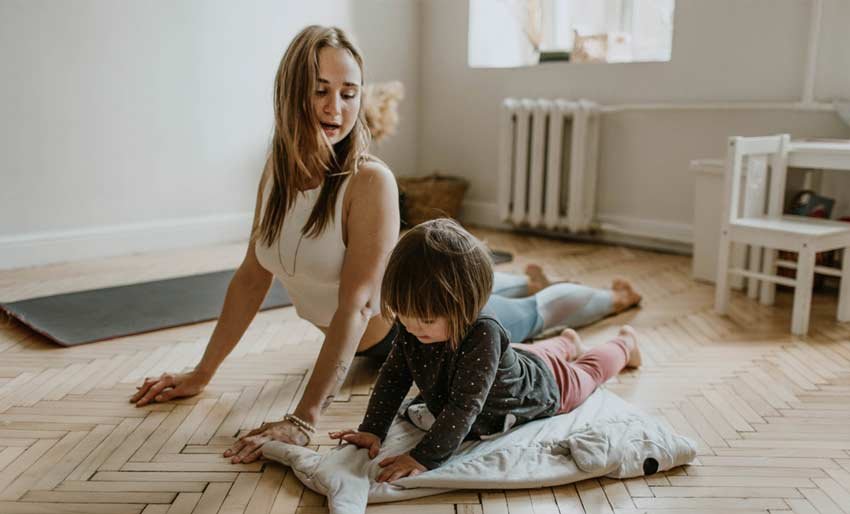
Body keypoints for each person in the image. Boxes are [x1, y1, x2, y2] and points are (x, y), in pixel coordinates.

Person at [129, 25, 640, 465]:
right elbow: (250, 278)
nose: (335, 107)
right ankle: (523, 286)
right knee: (509, 301)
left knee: (531, 313)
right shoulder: (276, 173)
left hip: (427, 328)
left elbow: (356, 305)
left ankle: (612, 300)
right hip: (400, 327)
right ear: (289, 92)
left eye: (349, 93)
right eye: (320, 90)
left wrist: (304, 419)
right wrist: (202, 373)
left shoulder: (369, 181)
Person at [329, 219, 641, 481]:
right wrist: (373, 429)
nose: (411, 328)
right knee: (534, 354)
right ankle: (568, 342)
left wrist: (423, 457)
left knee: (588, 371)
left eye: (426, 320)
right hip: (516, 359)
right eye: (403, 316)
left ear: (465, 306)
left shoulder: (484, 333)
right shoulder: (414, 326)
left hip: (545, 386)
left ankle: (625, 344)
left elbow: (464, 406)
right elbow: (394, 376)